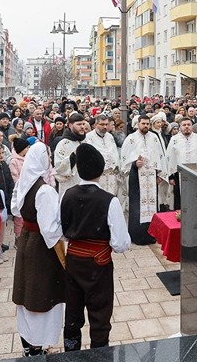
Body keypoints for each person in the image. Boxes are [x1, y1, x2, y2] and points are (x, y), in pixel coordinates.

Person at [60, 144, 130, 351]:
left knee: (72, 312)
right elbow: (120, 244)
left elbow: (61, 231)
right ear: (101, 170)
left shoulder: (66, 195)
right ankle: (99, 355)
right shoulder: (110, 201)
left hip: (73, 261)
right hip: (98, 265)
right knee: (99, 315)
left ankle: (71, 354)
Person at [12, 144, 65, 356]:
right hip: (42, 247)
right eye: (48, 156)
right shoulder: (44, 190)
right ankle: (36, 346)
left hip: (27, 241)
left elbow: (16, 208)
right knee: (42, 293)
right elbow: (51, 230)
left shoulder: (25, 183)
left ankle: (29, 344)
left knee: (28, 292)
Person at [120, 115, 166, 245]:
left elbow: (160, 156)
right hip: (136, 177)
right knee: (136, 206)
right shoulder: (131, 139)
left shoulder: (154, 138)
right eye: (143, 123)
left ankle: (151, 235)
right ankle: (137, 235)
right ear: (138, 124)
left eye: (147, 124)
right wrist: (134, 164)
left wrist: (159, 174)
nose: (145, 126)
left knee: (152, 205)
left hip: (151, 177)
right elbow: (124, 158)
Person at [164, 117, 197, 210]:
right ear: (180, 127)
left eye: (188, 125)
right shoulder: (174, 139)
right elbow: (169, 157)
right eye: (184, 125)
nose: (186, 127)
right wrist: (171, 176)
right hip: (179, 175)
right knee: (179, 198)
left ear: (192, 126)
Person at [53, 112, 88, 198]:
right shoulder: (63, 144)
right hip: (70, 186)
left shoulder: (87, 141)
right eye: (79, 124)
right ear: (70, 125)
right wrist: (74, 156)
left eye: (83, 124)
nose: (82, 127)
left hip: (86, 185)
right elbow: (58, 167)